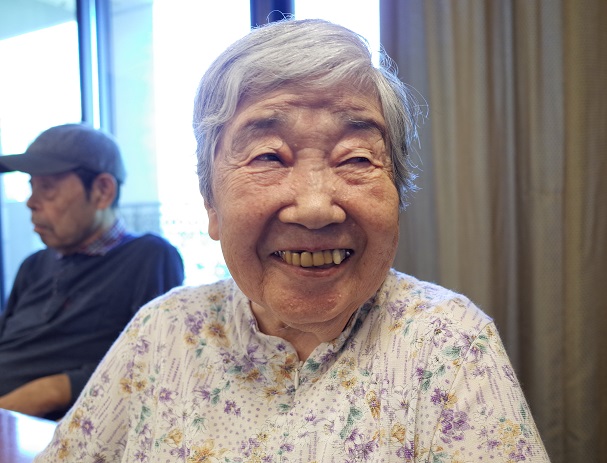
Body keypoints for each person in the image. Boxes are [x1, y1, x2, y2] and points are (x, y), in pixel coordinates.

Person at [36, 19, 550, 461]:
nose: (315, 207)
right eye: (268, 156)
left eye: (356, 158)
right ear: (210, 203)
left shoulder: (448, 343)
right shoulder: (163, 333)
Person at [0, 123, 184, 420]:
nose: (31, 203)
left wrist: (53, 390)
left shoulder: (148, 256)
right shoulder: (33, 265)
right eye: (32, 187)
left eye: (47, 189)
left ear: (102, 191)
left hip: (48, 428)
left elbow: (153, 366)